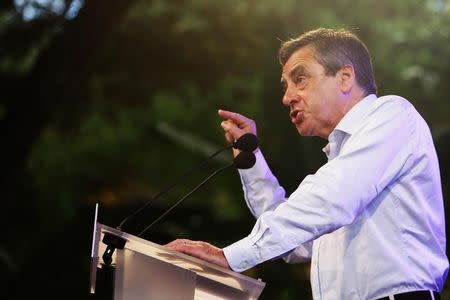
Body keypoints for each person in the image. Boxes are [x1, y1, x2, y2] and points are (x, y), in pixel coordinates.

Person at [165, 28, 449, 300]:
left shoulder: (393, 115)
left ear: (345, 77)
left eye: (300, 79)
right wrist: (250, 162)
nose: (287, 97)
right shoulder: (344, 166)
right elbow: (295, 241)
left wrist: (230, 256)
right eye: (286, 85)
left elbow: (330, 199)